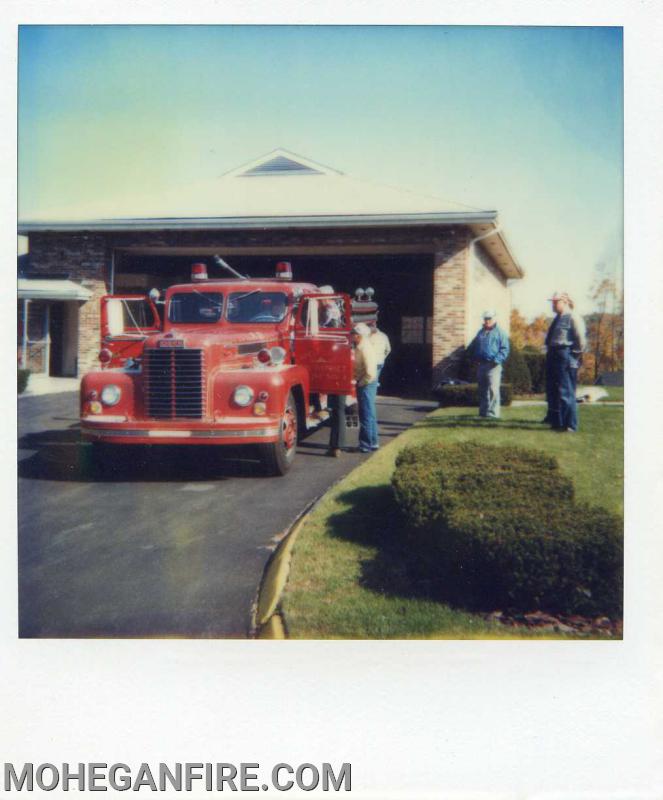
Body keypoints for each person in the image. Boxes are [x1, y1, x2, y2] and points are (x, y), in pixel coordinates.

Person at [544, 291, 586, 432]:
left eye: (556, 302)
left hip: (565, 354)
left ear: (565, 302)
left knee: (565, 391)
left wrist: (574, 357)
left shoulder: (573, 317)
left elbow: (581, 340)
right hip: (553, 353)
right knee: (554, 390)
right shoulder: (557, 318)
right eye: (553, 302)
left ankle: (569, 425)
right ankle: (557, 422)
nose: (553, 305)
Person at [467, 310, 510, 419]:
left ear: (494, 319)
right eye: (485, 318)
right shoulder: (480, 332)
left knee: (493, 390)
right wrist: (472, 357)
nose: (487, 321)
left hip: (493, 366)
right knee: (482, 390)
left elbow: (505, 349)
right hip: (481, 365)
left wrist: (496, 360)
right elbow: (473, 346)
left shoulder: (500, 332)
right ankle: (483, 413)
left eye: (489, 318)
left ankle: (493, 414)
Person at [351, 323, 379, 453]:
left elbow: (370, 372)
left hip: (366, 383)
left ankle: (365, 444)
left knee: (365, 414)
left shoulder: (364, 348)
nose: (352, 336)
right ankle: (373, 442)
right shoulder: (363, 346)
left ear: (359, 336)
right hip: (367, 382)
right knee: (370, 413)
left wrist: (361, 383)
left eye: (354, 334)